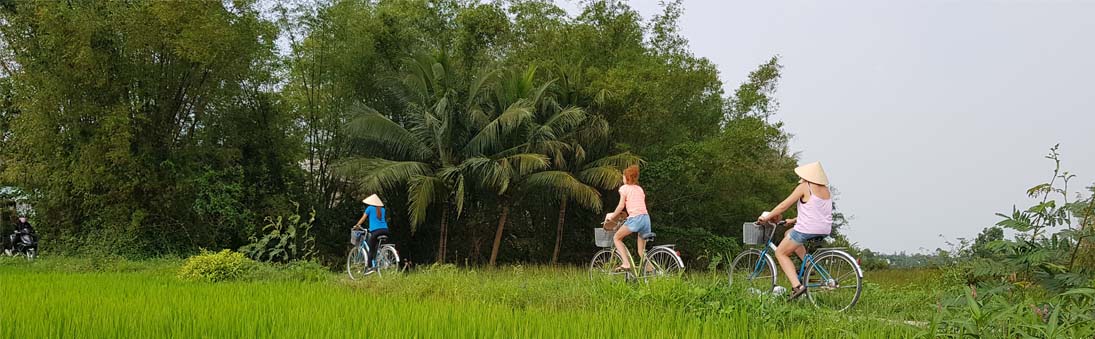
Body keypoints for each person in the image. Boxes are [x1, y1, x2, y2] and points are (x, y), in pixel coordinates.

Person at [758, 162, 833, 300]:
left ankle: (797, 287)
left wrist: (766, 217)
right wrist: (792, 220)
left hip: (807, 228)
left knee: (780, 253)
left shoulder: (805, 187)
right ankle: (809, 266)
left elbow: (783, 206)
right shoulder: (826, 190)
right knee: (789, 234)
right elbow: (815, 213)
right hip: (824, 228)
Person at [604, 165, 652, 272]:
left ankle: (626, 263)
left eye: (623, 177)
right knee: (641, 251)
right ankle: (653, 271)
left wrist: (612, 216)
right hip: (646, 219)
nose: (623, 179)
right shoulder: (639, 189)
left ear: (627, 178)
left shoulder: (624, 188)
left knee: (616, 238)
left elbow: (621, 206)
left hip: (635, 219)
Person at [354, 194, 388, 270]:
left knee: (370, 247)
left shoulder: (369, 208)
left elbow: (363, 219)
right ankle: (378, 262)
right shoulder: (383, 209)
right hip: (385, 230)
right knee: (376, 246)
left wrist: (357, 225)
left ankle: (370, 267)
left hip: (376, 231)